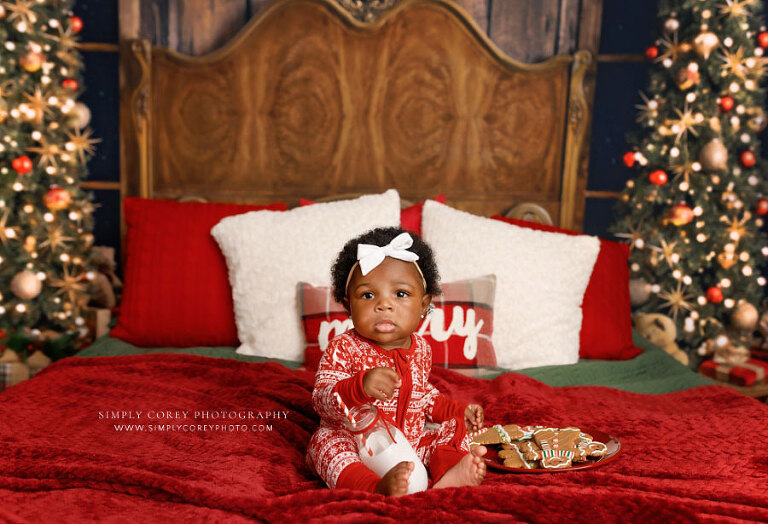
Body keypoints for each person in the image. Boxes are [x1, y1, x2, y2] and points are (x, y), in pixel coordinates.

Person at [307, 227, 487, 496]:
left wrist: (457, 411)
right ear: (348, 306)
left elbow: (423, 396)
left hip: (410, 442)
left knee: (456, 428)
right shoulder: (344, 347)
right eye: (368, 295)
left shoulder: (422, 349)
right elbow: (321, 399)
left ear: (424, 305)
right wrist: (358, 388)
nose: (384, 305)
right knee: (325, 443)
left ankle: (449, 474)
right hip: (360, 445)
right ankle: (374, 486)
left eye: (400, 294)